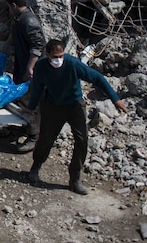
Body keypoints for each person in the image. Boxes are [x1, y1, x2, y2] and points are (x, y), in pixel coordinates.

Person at [26, 39, 127, 195]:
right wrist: (31, 107)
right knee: (46, 138)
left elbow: (98, 78)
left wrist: (115, 99)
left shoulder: (72, 64)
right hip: (52, 105)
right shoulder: (41, 67)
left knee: (82, 140)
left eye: (61, 56)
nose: (58, 60)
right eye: (54, 56)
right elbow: (37, 88)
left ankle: (75, 179)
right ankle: (36, 166)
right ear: (47, 55)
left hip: (74, 105)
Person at [8, 0, 45, 153]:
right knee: (21, 99)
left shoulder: (29, 21)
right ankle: (21, 127)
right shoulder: (20, 19)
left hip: (31, 68)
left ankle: (33, 136)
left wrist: (30, 67)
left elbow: (38, 46)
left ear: (14, 5)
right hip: (22, 65)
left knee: (31, 102)